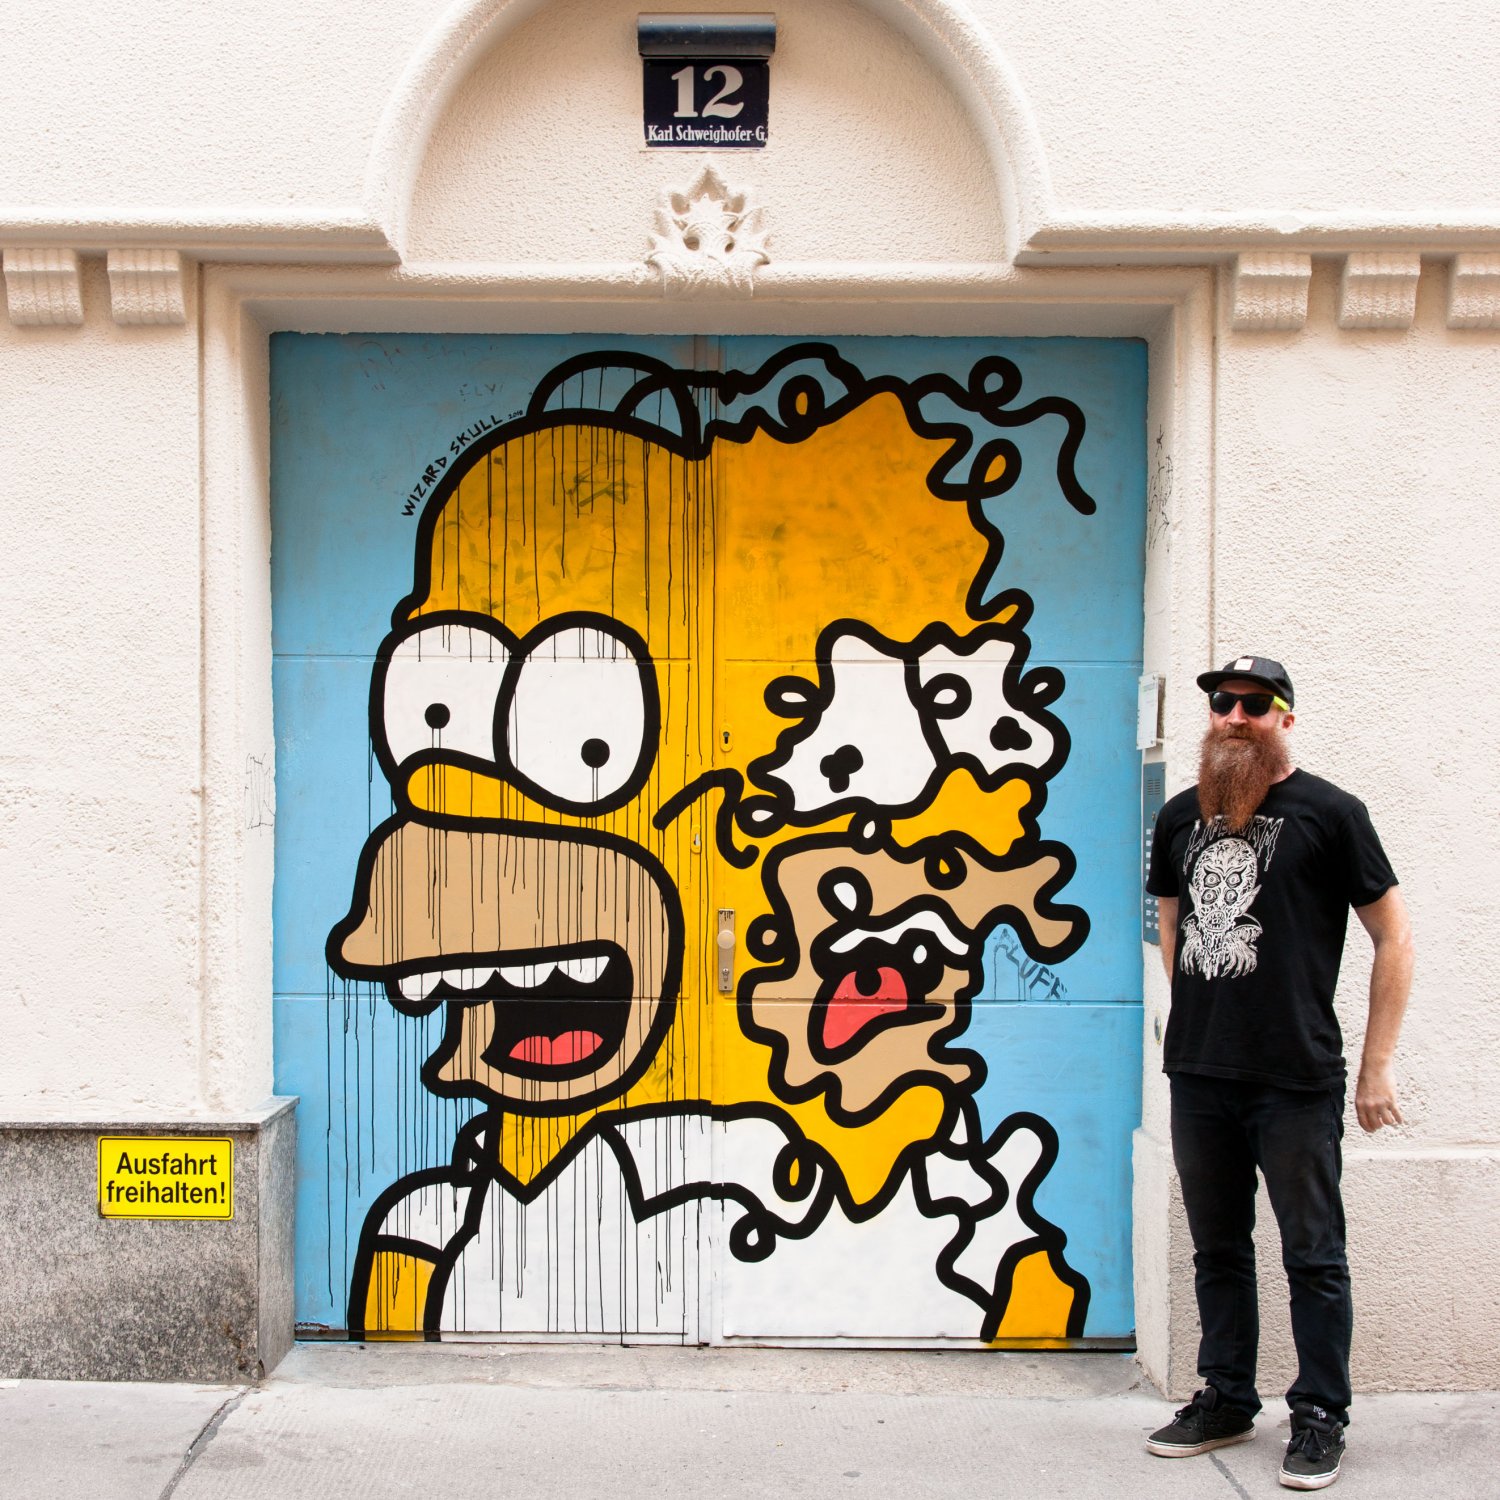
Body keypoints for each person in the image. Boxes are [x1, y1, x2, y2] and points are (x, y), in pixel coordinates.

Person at [1143, 655, 1414, 1491]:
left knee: (1313, 1254)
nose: (1234, 715)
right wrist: (1199, 1018)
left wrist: (1375, 1068)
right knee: (1218, 1249)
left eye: (1254, 704)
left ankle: (1321, 1415)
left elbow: (1394, 937)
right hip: (1200, 1076)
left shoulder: (1332, 813)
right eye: (1222, 702)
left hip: (1296, 1078)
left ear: (1284, 719)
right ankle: (1226, 1399)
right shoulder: (1181, 816)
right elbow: (1170, 922)